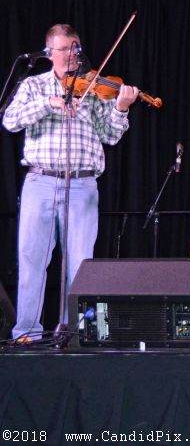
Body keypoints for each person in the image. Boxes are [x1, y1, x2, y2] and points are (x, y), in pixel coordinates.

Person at [2, 24, 139, 341]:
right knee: (32, 261)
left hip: (81, 185)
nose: (72, 54)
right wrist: (49, 103)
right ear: (49, 52)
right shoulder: (34, 85)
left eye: (75, 48)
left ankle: (73, 335)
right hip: (40, 182)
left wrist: (120, 108)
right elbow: (10, 120)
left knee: (79, 265)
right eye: (65, 49)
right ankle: (26, 334)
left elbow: (110, 135)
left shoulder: (92, 86)